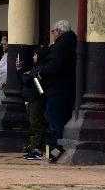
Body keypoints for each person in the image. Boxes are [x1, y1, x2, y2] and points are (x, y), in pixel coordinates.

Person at [38, 20, 77, 163]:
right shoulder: (71, 43)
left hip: (57, 89)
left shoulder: (60, 46)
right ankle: (55, 149)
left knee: (54, 119)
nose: (52, 34)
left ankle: (56, 149)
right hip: (67, 89)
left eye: (53, 31)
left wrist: (42, 71)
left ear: (59, 31)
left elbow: (53, 66)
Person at [20, 45, 48, 160]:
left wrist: (29, 76)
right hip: (31, 99)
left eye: (36, 55)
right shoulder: (34, 68)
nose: (34, 57)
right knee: (32, 124)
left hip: (36, 99)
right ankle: (33, 146)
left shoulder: (40, 68)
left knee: (36, 123)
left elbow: (38, 87)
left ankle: (37, 148)